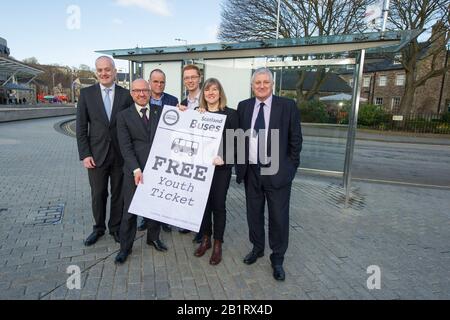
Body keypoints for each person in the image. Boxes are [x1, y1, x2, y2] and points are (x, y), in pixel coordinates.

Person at [236, 68, 302, 281]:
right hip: (252, 170)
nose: (262, 86)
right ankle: (257, 248)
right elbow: (236, 136)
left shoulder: (287, 106)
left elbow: (296, 141)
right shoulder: (244, 106)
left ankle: (278, 258)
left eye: (265, 82)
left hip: (277, 172)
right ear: (252, 85)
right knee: (253, 214)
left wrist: (289, 170)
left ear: (272, 84)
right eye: (258, 83)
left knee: (278, 217)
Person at [76, 56, 133, 246]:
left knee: (118, 194)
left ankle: (115, 228)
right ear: (96, 72)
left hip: (119, 155)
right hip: (96, 155)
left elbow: (131, 125)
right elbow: (81, 128)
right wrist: (85, 154)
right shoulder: (86, 94)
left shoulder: (126, 95)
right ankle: (98, 228)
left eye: (107, 69)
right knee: (98, 193)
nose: (104, 73)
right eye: (100, 70)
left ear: (115, 71)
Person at [114, 79, 169, 264]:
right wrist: (136, 169)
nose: (141, 94)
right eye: (137, 91)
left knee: (155, 209)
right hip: (133, 171)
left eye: (145, 90)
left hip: (156, 170)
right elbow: (125, 146)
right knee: (130, 211)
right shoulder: (123, 116)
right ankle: (125, 247)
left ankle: (153, 238)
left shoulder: (160, 112)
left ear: (150, 91)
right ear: (132, 93)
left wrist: (187, 113)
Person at [192, 78, 238, 265]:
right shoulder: (197, 113)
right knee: (203, 205)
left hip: (221, 169)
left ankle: (218, 243)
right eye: (207, 90)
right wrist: (190, 114)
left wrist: (225, 158)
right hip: (201, 168)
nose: (210, 93)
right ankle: (206, 239)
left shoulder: (232, 114)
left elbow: (237, 142)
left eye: (214, 89)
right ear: (203, 94)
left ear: (220, 93)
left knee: (218, 205)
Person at [137, 69, 178, 233]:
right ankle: (146, 219)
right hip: (145, 151)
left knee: (164, 188)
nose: (159, 85)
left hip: (166, 151)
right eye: (155, 81)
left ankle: (164, 219)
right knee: (146, 187)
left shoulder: (172, 100)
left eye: (162, 82)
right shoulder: (142, 98)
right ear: (149, 82)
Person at [179, 64, 203, 241]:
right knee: (189, 190)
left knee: (203, 194)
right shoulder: (182, 103)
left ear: (199, 78)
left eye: (193, 77)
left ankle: (202, 230)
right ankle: (189, 223)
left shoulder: (210, 98)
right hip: (187, 154)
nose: (190, 80)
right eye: (186, 78)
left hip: (205, 156)